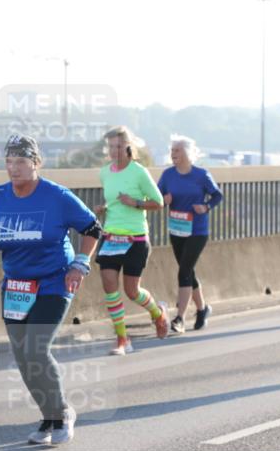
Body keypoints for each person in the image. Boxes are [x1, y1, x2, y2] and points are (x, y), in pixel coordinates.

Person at [0, 134, 101, 445]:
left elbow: (93, 228)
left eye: (20, 161)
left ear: (36, 163)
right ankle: (49, 416)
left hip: (54, 281)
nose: (13, 168)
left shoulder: (57, 196)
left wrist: (80, 263)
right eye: (9, 161)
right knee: (22, 356)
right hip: (16, 285)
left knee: (36, 349)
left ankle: (62, 414)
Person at [94, 126, 168, 355]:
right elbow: (115, 199)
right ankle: (122, 339)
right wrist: (104, 208)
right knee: (109, 284)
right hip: (111, 235)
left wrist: (135, 203)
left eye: (118, 146)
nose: (114, 151)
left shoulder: (139, 172)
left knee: (132, 291)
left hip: (135, 238)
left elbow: (159, 202)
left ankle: (157, 313)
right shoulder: (105, 172)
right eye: (110, 147)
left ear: (127, 147)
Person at [158, 135, 223, 333]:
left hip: (197, 230)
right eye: (172, 151)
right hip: (177, 229)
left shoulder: (201, 175)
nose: (173, 154)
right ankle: (202, 309)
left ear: (187, 153)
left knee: (184, 271)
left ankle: (179, 318)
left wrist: (206, 206)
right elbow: (157, 196)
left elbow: (217, 195)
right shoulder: (168, 175)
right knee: (188, 271)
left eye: (177, 150)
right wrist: (164, 199)